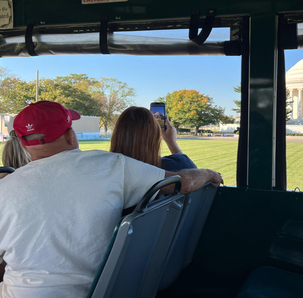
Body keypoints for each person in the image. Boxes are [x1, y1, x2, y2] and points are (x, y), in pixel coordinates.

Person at [0, 101, 223, 298]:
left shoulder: (4, 187)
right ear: (71, 135)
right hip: (100, 290)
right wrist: (209, 173)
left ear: (23, 144)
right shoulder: (111, 165)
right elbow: (183, 182)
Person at [110, 106, 197, 171]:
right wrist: (171, 142)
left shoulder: (106, 169)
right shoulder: (170, 166)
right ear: (154, 137)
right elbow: (193, 173)